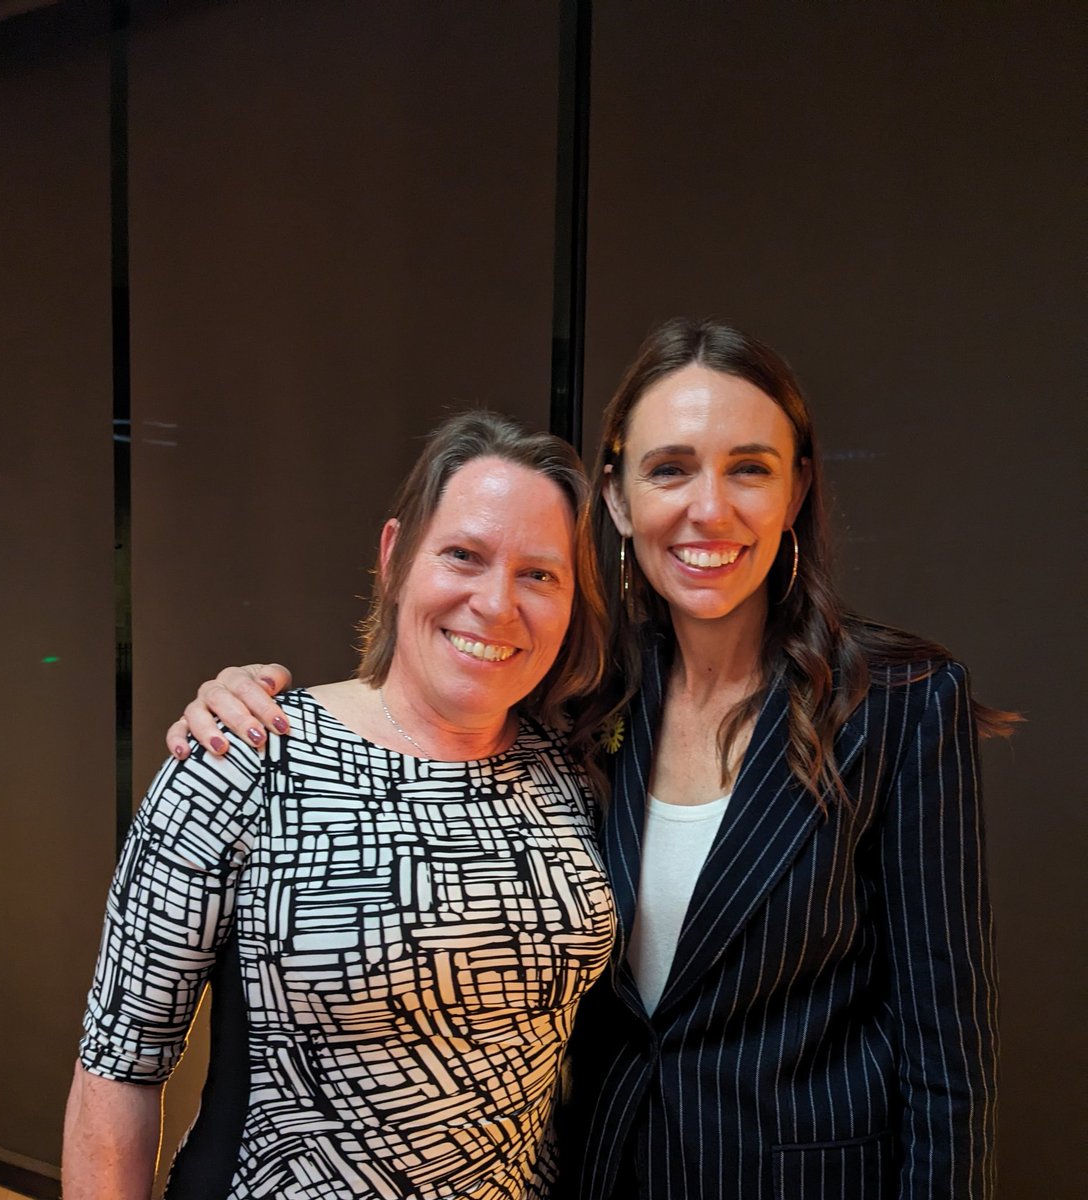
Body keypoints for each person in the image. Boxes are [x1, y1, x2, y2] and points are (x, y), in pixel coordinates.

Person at [171, 319, 1012, 1200]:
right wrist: (250, 700)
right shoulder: (579, 690)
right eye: (671, 467)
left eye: (750, 468)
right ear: (616, 496)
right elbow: (417, 706)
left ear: (797, 489)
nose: (709, 508)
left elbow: (947, 1053)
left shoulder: (902, 699)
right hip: (605, 1171)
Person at [63, 411, 617, 1200]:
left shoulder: (571, 770)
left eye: (539, 574)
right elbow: (119, 1066)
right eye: (463, 555)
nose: (496, 603)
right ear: (395, 558)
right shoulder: (245, 755)